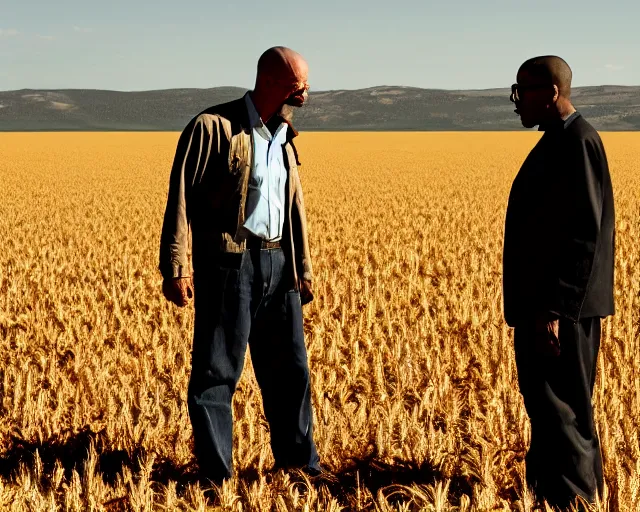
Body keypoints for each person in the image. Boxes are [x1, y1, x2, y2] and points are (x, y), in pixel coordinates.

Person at [159, 46, 322, 484]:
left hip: (278, 263)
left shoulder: (286, 134)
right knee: (216, 373)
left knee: (291, 371)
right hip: (230, 266)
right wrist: (176, 267)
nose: (306, 89)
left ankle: (301, 468)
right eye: (298, 81)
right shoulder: (212, 127)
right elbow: (179, 198)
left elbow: (294, 208)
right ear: (269, 80)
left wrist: (301, 267)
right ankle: (217, 479)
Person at [503, 55, 615, 510]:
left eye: (523, 91)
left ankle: (576, 501)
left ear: (552, 92)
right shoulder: (558, 141)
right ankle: (550, 495)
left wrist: (555, 310)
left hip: (562, 312)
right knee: (549, 410)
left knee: (566, 411)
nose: (516, 102)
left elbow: (585, 234)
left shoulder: (579, 142)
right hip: (545, 308)